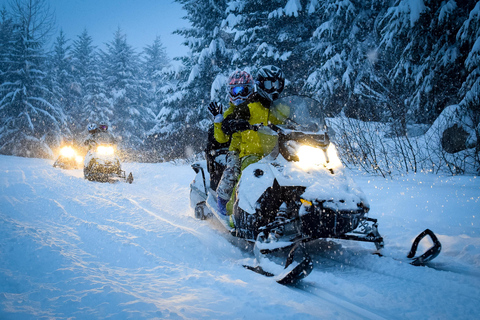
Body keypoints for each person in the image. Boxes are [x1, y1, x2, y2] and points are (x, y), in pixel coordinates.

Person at [209, 66, 287, 218]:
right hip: (241, 150)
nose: (239, 96)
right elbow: (223, 136)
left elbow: (295, 120)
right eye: (235, 91)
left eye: (243, 91)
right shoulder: (244, 109)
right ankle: (227, 205)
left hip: (274, 152)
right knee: (233, 172)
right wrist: (221, 121)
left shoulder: (281, 107)